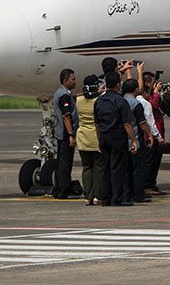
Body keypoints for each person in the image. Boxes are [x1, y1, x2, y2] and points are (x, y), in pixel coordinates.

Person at [94, 71, 137, 207]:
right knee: (117, 169)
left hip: (104, 136)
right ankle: (116, 198)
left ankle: (106, 198)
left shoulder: (99, 100)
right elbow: (127, 123)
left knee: (105, 169)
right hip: (117, 137)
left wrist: (99, 140)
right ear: (118, 85)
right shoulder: (120, 101)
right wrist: (133, 140)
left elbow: (97, 124)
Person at [122, 78, 155, 203]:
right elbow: (141, 122)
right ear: (136, 90)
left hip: (122, 140)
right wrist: (149, 134)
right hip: (135, 139)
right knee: (137, 169)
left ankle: (126, 194)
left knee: (126, 170)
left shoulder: (120, 101)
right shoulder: (136, 104)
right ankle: (138, 194)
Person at [75, 74, 102, 206]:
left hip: (83, 138)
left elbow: (80, 95)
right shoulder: (98, 101)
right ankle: (97, 196)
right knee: (98, 168)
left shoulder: (78, 100)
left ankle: (87, 196)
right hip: (96, 138)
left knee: (86, 168)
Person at [51, 69, 79, 199]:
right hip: (65, 134)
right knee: (65, 164)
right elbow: (66, 116)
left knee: (61, 162)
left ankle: (58, 189)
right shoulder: (64, 96)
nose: (74, 81)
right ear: (65, 80)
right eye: (72, 79)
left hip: (61, 133)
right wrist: (71, 135)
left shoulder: (59, 92)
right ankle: (63, 190)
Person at [141, 70, 166, 195]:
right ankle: (146, 185)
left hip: (158, 133)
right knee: (149, 162)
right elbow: (151, 107)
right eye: (153, 82)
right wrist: (156, 93)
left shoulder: (151, 95)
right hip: (150, 135)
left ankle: (151, 183)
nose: (155, 84)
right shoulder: (145, 98)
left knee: (156, 161)